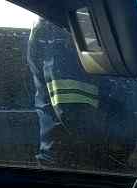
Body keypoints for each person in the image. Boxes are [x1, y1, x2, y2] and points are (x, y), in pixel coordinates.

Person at [26, 18, 108, 168]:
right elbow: (72, 111)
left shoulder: (69, 25)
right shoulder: (68, 29)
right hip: (74, 164)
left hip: (65, 159)